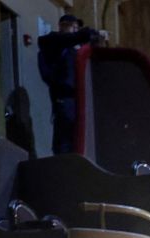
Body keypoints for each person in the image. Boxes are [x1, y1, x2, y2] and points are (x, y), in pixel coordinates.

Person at [37, 14, 106, 154]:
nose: (75, 30)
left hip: (79, 99)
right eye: (72, 27)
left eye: (77, 27)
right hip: (65, 99)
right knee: (65, 141)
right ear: (62, 26)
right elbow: (72, 38)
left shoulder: (74, 49)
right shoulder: (53, 41)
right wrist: (91, 33)